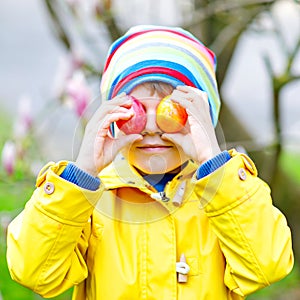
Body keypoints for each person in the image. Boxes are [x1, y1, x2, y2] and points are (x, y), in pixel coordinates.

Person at [6, 25, 293, 299]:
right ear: (113, 118)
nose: (152, 128)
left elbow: (267, 264)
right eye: (136, 111)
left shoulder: (225, 195)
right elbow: (33, 272)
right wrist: (82, 173)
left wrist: (213, 164)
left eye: (173, 111)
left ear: (203, 121)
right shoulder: (89, 201)